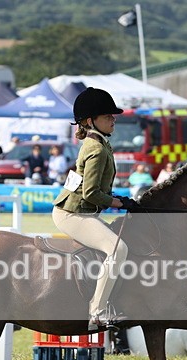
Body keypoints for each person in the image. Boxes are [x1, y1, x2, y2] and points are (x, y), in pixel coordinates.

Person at [52, 87, 138, 330]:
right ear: (91, 121)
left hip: (82, 211)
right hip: (72, 214)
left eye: (112, 116)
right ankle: (97, 312)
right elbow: (90, 193)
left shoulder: (100, 143)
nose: (113, 120)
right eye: (108, 116)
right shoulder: (97, 148)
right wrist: (119, 203)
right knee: (118, 249)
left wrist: (116, 198)